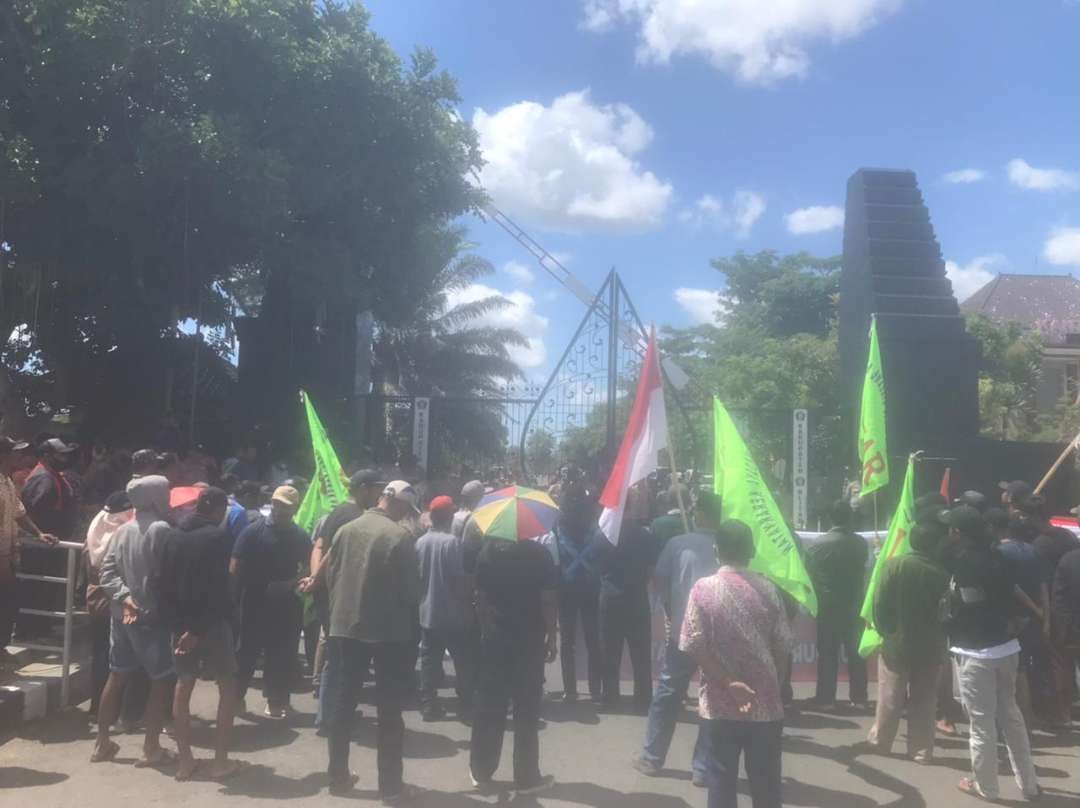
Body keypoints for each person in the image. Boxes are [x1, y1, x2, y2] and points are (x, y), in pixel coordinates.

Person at [318, 480, 421, 801]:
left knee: (343, 703)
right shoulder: (400, 537)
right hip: (387, 633)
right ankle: (390, 786)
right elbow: (411, 593)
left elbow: (331, 577)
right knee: (389, 711)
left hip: (345, 627)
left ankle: (337, 777)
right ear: (401, 505)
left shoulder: (346, 530)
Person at [681, 520, 793, 808]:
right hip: (765, 704)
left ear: (716, 551)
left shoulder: (702, 589)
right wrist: (774, 684)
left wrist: (729, 682)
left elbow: (693, 643)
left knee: (720, 781)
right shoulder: (769, 590)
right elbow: (783, 645)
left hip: (720, 704)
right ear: (752, 551)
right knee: (766, 785)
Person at [942, 505, 1040, 801]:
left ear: (957, 533)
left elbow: (964, 604)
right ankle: (1030, 785)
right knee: (1012, 717)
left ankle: (986, 787)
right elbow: (1011, 591)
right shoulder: (997, 555)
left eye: (951, 529)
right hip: (1006, 647)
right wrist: (1035, 611)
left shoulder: (961, 561)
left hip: (975, 652)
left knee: (982, 725)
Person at [634, 491, 720, 785]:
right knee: (713, 700)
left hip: (684, 632)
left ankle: (652, 757)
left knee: (668, 694)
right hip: (720, 637)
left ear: (699, 514)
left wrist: (673, 604)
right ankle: (703, 768)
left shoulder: (678, 544)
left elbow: (657, 582)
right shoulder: (729, 546)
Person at [91, 475, 175, 767]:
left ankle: (102, 742)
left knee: (117, 676)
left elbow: (107, 573)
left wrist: (124, 597)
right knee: (161, 680)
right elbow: (166, 575)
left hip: (120, 617)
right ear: (155, 498)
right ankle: (151, 747)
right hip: (151, 618)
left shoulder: (123, 530)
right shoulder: (162, 529)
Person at [160, 487, 241, 782]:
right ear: (218, 509)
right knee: (227, 685)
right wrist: (198, 629)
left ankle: (185, 761)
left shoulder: (173, 535)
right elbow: (218, 589)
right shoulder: (219, 538)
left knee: (183, 687)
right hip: (211, 624)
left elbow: (164, 584)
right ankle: (220, 761)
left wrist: (180, 627)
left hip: (180, 626)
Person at [469, 529, 558, 796]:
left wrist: (486, 627)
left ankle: (481, 770)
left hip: (495, 640)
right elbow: (548, 600)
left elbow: (480, 597)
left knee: (489, 705)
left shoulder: (487, 554)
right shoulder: (539, 555)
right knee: (526, 710)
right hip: (528, 641)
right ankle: (526, 776)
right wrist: (552, 636)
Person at [866, 522, 949, 761]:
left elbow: (879, 603)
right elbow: (946, 613)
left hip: (896, 644)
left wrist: (886, 632)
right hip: (930, 647)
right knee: (924, 701)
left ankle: (880, 743)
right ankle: (921, 751)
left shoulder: (893, 565)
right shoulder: (941, 573)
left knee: (890, 697)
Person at [311, 468, 385, 731]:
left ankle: (326, 716)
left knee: (335, 656)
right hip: (338, 597)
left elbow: (319, 546)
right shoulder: (356, 517)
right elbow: (331, 551)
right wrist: (317, 579)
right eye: (377, 488)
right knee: (341, 660)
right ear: (364, 488)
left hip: (327, 595)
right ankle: (332, 718)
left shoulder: (337, 511)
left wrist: (313, 579)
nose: (379, 494)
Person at [231, 485, 310, 719]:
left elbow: (309, 564)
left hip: (285, 603)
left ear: (294, 509)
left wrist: (292, 582)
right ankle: (236, 699)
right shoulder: (253, 531)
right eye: (276, 504)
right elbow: (235, 565)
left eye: (285, 506)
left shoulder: (300, 536)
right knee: (246, 653)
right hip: (253, 601)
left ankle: (276, 701)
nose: (279, 509)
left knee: (281, 654)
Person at [593, 485, 657, 712]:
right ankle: (643, 697)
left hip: (610, 597)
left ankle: (610, 697)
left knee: (609, 650)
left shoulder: (603, 535)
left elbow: (597, 566)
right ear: (631, 505)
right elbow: (651, 571)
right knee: (640, 651)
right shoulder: (645, 535)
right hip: (637, 598)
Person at [415, 495, 476, 721]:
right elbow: (458, 580)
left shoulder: (420, 542)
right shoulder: (451, 543)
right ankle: (466, 706)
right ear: (448, 517)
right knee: (463, 661)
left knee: (430, 661)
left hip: (428, 613)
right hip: (454, 614)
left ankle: (428, 705)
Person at [805, 499, 869, 710]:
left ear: (829, 518)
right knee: (856, 653)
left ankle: (825, 698)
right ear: (850, 517)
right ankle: (859, 698)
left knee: (828, 653)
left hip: (828, 605)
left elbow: (810, 574)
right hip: (854, 604)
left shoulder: (818, 544)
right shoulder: (861, 543)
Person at [0, 437, 58, 663]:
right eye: (16, 453)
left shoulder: (7, 482)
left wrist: (38, 533)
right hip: (2, 559)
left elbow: (19, 512)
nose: (21, 457)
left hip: (9, 558)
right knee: (6, 604)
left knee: (9, 605)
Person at [84, 491, 134, 718]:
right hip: (115, 598)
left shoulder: (98, 524)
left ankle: (98, 706)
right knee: (116, 657)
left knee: (100, 652)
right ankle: (114, 710)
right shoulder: (121, 531)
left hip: (95, 597)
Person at [551, 486, 602, 703]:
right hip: (591, 588)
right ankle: (595, 689)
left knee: (568, 642)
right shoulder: (595, 526)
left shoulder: (558, 527)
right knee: (592, 640)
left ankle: (570, 690)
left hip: (566, 588)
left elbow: (554, 559)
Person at [1050, 543, 1080, 726]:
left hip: (1071, 628)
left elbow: (1058, 598)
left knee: (1064, 670)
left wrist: (1059, 629)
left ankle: (1065, 715)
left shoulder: (1069, 559)